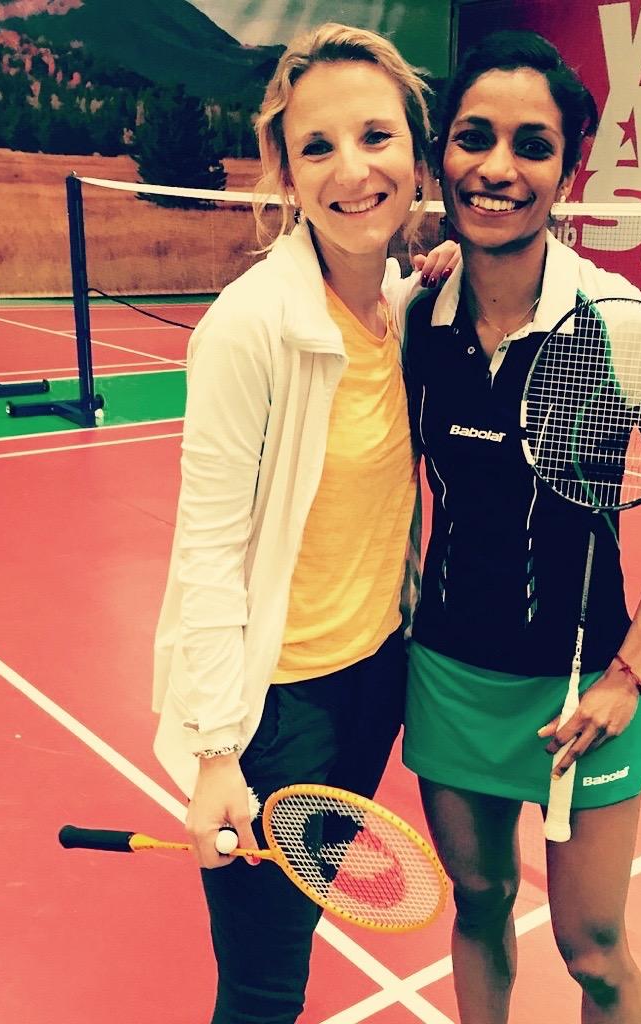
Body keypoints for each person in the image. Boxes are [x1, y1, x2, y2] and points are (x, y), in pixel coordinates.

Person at [402, 31, 641, 1023]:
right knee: (479, 903)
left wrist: (630, 673)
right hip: (448, 674)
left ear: (567, 172)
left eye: (531, 146)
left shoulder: (624, 325)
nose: (497, 168)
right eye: (473, 138)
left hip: (582, 689)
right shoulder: (415, 317)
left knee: (594, 948)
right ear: (441, 156)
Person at [150, 23, 455, 1024]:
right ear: (285, 172)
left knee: (296, 934)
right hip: (275, 714)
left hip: (374, 682)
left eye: (375, 136)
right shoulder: (248, 329)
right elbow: (205, 551)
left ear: (416, 153)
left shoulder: (403, 308)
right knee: (265, 983)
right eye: (317, 146)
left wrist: (440, 276)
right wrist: (214, 755)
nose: (352, 170)